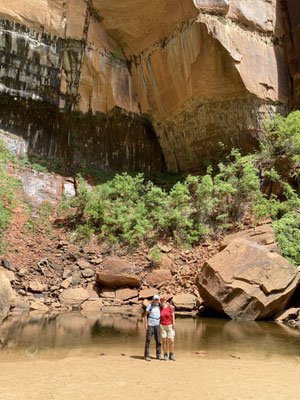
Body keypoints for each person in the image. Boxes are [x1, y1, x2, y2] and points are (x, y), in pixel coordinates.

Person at [144, 294, 162, 361]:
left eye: (157, 299)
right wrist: (145, 324)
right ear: (153, 299)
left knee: (158, 340)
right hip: (150, 324)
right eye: (155, 299)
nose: (156, 300)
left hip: (157, 324)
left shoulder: (159, 305)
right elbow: (145, 315)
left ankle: (158, 354)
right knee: (148, 340)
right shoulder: (150, 305)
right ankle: (147, 355)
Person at [160, 296, 176, 361]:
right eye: (161, 300)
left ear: (166, 301)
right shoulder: (160, 308)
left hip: (170, 325)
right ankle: (165, 354)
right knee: (164, 340)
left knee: (171, 340)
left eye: (164, 300)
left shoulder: (170, 308)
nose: (163, 301)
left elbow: (173, 315)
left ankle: (171, 354)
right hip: (162, 325)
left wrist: (174, 323)